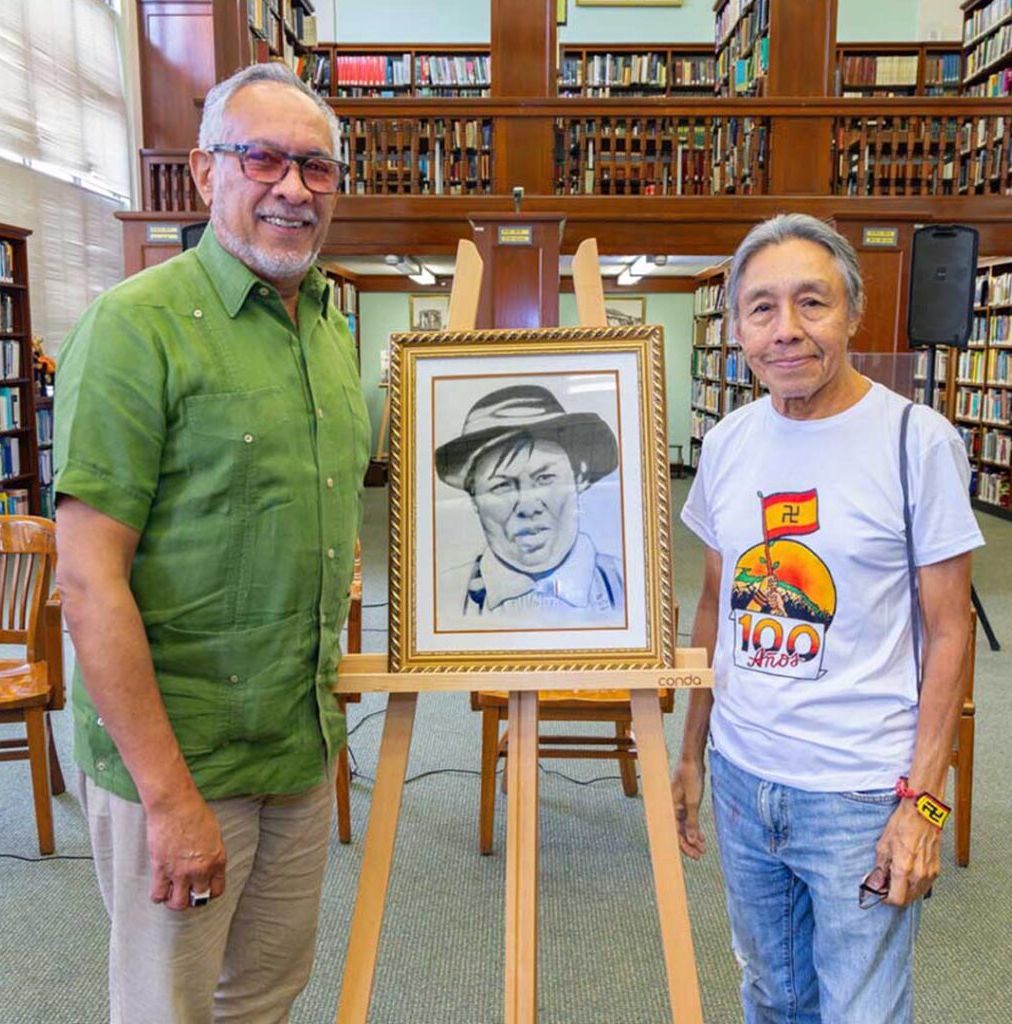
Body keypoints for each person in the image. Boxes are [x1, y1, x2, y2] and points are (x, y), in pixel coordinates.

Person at [54, 63, 369, 1024]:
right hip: (182, 759)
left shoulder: (327, 329)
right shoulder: (134, 327)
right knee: (171, 1011)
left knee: (266, 995)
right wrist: (168, 799)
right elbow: (87, 580)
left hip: (298, 750)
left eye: (316, 167)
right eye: (263, 158)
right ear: (203, 172)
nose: (291, 187)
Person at [672, 213, 984, 1024]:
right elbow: (716, 604)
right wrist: (692, 753)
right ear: (736, 325)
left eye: (811, 302)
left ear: (852, 309)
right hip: (745, 781)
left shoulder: (918, 443)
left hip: (860, 792)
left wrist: (925, 804)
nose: (787, 331)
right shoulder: (729, 442)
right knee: (772, 996)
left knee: (861, 1012)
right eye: (762, 308)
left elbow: (952, 633)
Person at [434, 383, 624, 626]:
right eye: (501, 486)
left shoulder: (630, 587)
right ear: (474, 498)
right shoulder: (441, 595)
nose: (528, 506)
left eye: (545, 479)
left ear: (579, 478)